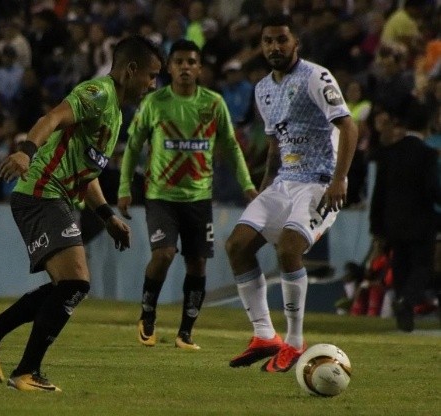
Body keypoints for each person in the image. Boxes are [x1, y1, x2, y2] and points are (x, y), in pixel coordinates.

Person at [0, 35, 163, 392]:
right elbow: (52, 117)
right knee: (75, 283)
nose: (153, 84)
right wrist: (26, 150)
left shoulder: (116, 113)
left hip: (56, 197)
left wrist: (106, 216)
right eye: (151, 75)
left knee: (67, 285)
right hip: (41, 191)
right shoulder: (99, 93)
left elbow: (87, 173)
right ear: (131, 70)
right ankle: (25, 370)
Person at [224, 14, 358, 373]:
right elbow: (274, 144)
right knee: (237, 245)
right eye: (268, 41)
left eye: (281, 40)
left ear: (295, 42)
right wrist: (265, 188)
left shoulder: (316, 76)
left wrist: (339, 179)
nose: (274, 47)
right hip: (283, 181)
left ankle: (296, 342)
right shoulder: (263, 88)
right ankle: (265, 335)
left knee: (288, 249)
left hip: (318, 182)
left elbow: (348, 126)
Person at [117, 39, 257, 351]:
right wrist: (125, 188)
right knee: (164, 255)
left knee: (197, 265)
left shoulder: (213, 103)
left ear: (199, 68)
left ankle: (185, 333)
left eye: (191, 62)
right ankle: (147, 315)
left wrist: (247, 184)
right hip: (160, 196)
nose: (184, 67)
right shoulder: (155, 103)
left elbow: (232, 147)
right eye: (178, 62)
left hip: (198, 198)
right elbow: (134, 147)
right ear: (169, 68)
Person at [370, 101, 438, 332]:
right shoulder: (427, 154)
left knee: (400, 265)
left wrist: (376, 227)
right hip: (421, 222)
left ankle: (404, 316)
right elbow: (433, 189)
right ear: (427, 125)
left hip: (393, 223)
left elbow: (378, 193)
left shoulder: (389, 153)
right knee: (422, 266)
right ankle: (406, 301)